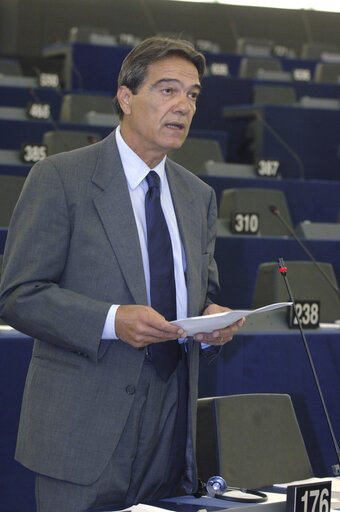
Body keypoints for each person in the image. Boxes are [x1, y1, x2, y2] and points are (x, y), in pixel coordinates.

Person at [0, 36, 243, 512]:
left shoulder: (198, 197)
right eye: (167, 90)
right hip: (83, 429)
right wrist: (113, 321)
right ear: (126, 97)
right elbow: (19, 295)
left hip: (171, 432)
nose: (183, 106)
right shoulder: (60, 178)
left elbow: (202, 291)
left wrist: (212, 317)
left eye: (192, 95)